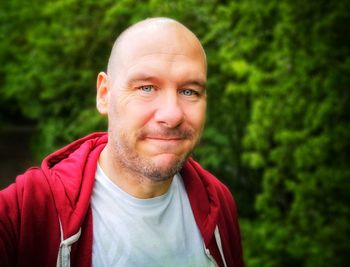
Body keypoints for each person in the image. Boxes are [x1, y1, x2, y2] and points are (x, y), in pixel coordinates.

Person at [0, 17, 244, 267]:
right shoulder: (24, 212)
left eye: (189, 91)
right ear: (104, 94)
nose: (172, 115)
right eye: (146, 88)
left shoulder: (217, 201)